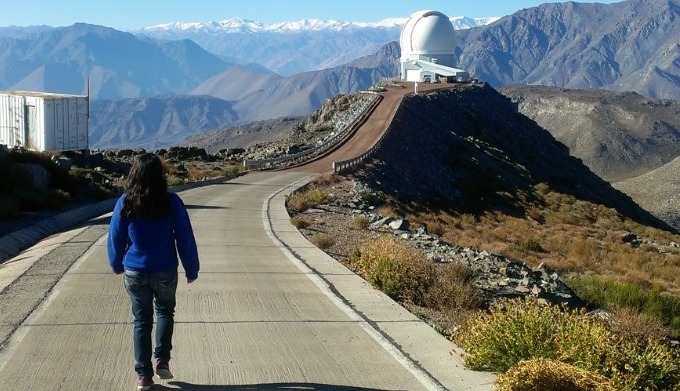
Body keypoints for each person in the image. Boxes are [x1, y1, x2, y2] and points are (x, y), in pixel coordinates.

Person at [108, 153, 200, 391]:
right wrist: (192, 268)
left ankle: (144, 376)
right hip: (165, 270)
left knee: (141, 321)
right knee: (165, 312)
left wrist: (116, 263)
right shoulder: (171, 202)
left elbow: (115, 237)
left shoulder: (125, 202)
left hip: (135, 271)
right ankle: (162, 359)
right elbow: (185, 238)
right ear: (160, 175)